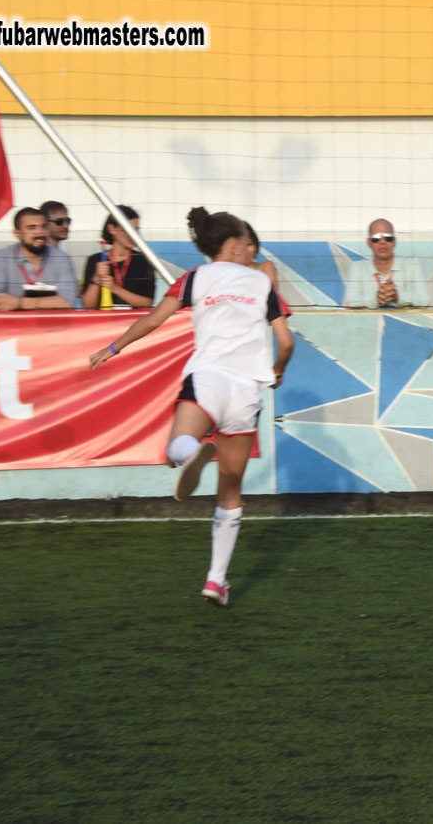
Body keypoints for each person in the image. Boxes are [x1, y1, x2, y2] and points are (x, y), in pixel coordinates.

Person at [88, 207, 294, 608]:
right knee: (231, 490)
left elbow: (152, 321)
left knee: (175, 448)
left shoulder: (194, 278)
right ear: (235, 244)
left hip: (209, 378)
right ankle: (216, 580)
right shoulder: (262, 282)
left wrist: (112, 347)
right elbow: (286, 342)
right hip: (247, 390)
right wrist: (278, 370)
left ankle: (192, 451)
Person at [0, 208, 78, 310]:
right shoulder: (1, 258)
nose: (39, 233)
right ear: (18, 234)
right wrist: (49, 302)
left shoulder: (61, 258)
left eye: (43, 227)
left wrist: (18, 303)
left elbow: (68, 301)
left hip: (51, 324)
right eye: (32, 228)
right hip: (13, 324)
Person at [80, 206, 155, 309]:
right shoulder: (95, 260)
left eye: (136, 230)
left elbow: (147, 302)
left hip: (134, 322)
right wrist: (97, 279)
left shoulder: (143, 260)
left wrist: (115, 288)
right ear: (112, 229)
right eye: (128, 229)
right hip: (103, 323)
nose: (133, 235)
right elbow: (88, 305)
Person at [346, 218, 428, 308]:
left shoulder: (413, 265)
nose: (382, 242)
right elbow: (348, 303)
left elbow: (425, 301)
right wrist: (375, 298)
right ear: (369, 242)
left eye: (388, 237)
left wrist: (398, 296)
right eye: (376, 238)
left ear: (394, 241)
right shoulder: (357, 267)